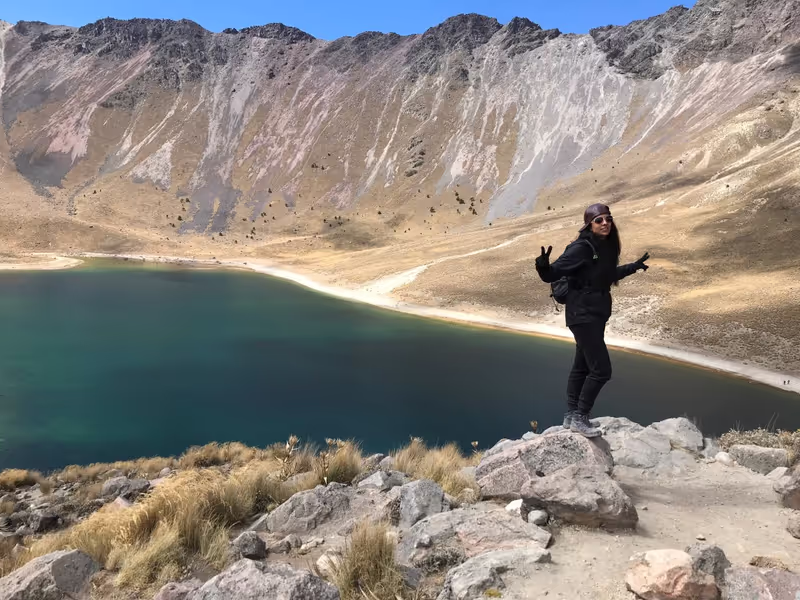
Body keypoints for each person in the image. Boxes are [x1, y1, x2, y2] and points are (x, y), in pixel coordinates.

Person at [535, 203, 650, 437]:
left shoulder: (605, 247)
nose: (605, 223)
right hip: (582, 315)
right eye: (599, 220)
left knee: (582, 366)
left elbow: (606, 276)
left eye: (608, 218)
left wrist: (633, 267)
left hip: (595, 315)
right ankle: (580, 416)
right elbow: (552, 274)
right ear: (589, 224)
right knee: (601, 370)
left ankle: (571, 416)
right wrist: (542, 266)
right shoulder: (581, 248)